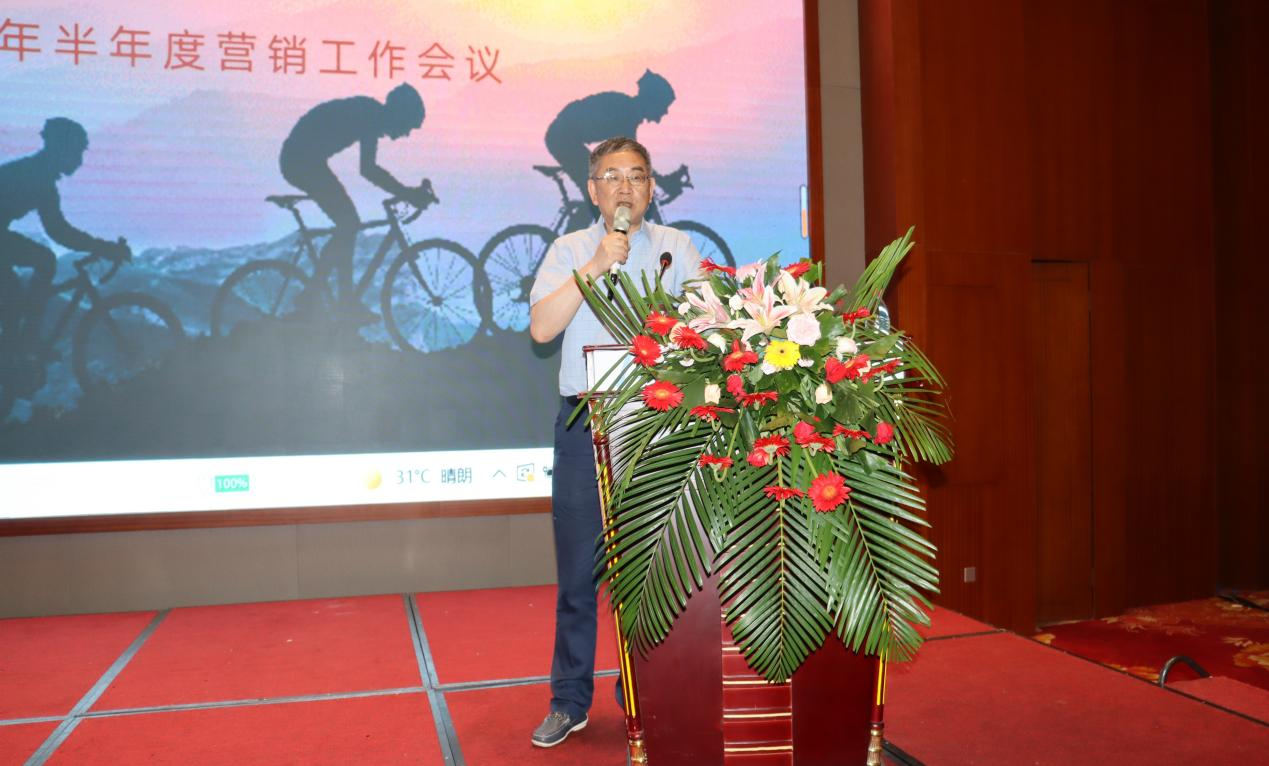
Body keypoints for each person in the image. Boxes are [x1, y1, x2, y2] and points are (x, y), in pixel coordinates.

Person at [528, 136, 701, 748]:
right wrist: (597, 265)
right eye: (612, 176)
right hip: (588, 422)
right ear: (592, 190)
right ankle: (569, 700)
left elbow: (710, 326)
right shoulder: (570, 250)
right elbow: (542, 328)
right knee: (579, 572)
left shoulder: (678, 248)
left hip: (657, 424)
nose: (625, 186)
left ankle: (647, 694)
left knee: (657, 567)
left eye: (637, 175)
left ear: (651, 187)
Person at [278, 83, 427, 320]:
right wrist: (407, 193)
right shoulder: (370, 116)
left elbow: (369, 169)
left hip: (304, 158)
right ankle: (328, 299)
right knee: (349, 223)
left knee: (348, 225)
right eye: (408, 125)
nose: (406, 133)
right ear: (399, 114)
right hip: (301, 161)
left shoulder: (371, 113)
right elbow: (368, 170)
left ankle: (335, 300)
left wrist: (406, 192)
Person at [0, 118, 129, 363]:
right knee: (40, 264)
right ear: (61, 150)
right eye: (77, 152)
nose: (79, 161)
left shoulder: (34, 172)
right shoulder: (39, 179)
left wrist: (98, 246)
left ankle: (18, 347)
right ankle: (22, 345)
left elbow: (59, 231)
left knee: (19, 286)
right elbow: (59, 231)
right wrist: (101, 247)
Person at [544, 70, 676, 228]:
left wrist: (660, 180)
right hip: (562, 138)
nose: (665, 112)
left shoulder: (628, 111)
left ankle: (581, 232)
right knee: (598, 194)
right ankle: (574, 240)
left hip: (567, 137)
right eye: (663, 106)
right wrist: (663, 182)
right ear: (652, 102)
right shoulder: (626, 114)